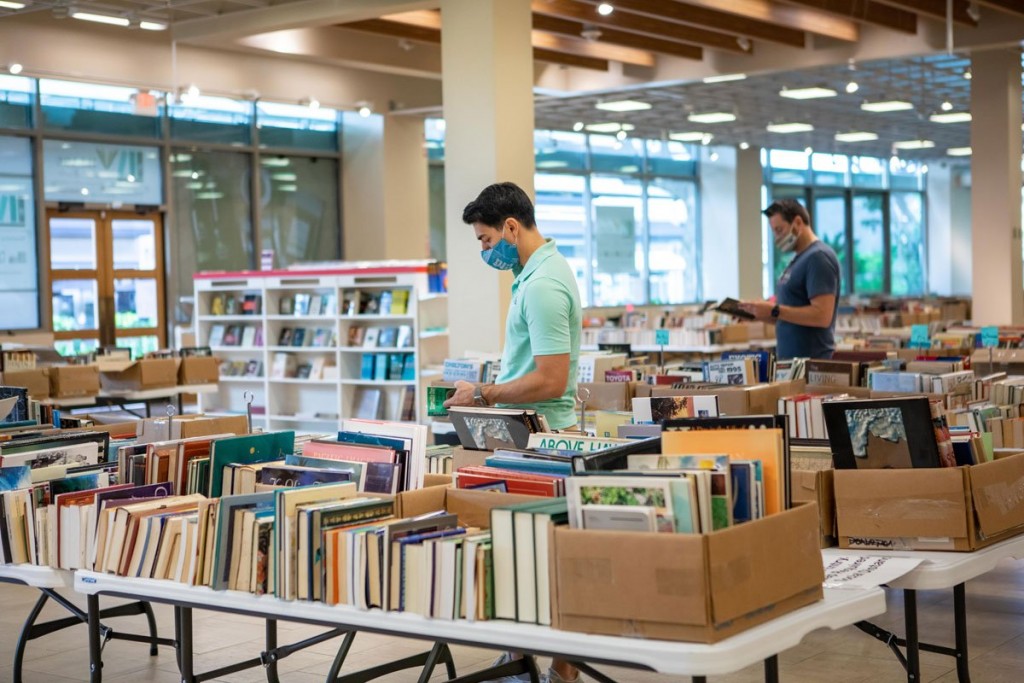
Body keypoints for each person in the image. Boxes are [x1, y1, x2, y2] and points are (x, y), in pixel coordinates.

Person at [444, 181, 582, 683]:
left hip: (544, 439)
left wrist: (483, 394)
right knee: (526, 555)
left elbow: (551, 378)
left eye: (485, 240)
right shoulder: (532, 273)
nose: (485, 250)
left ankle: (559, 668)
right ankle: (526, 657)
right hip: (527, 434)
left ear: (510, 227)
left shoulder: (543, 285)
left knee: (543, 558)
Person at [741, 199, 840, 360]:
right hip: (790, 364)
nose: (776, 238)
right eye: (774, 232)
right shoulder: (797, 260)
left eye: (779, 230)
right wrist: (757, 312)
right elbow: (789, 316)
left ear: (798, 222)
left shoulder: (818, 257)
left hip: (812, 364)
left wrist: (774, 309)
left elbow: (822, 316)